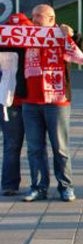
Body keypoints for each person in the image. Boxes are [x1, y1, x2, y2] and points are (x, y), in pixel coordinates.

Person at [21, 5, 83, 202]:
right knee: (34, 148)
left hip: (57, 101)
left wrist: (74, 35)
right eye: (32, 15)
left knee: (60, 147)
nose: (33, 19)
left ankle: (65, 186)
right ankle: (38, 187)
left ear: (51, 19)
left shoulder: (61, 35)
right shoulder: (26, 36)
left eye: (38, 16)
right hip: (30, 101)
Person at [0, 12, 34, 195]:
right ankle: (36, 184)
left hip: (12, 100)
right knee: (35, 146)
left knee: (12, 144)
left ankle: (10, 184)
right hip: (21, 100)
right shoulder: (35, 38)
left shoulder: (38, 40)